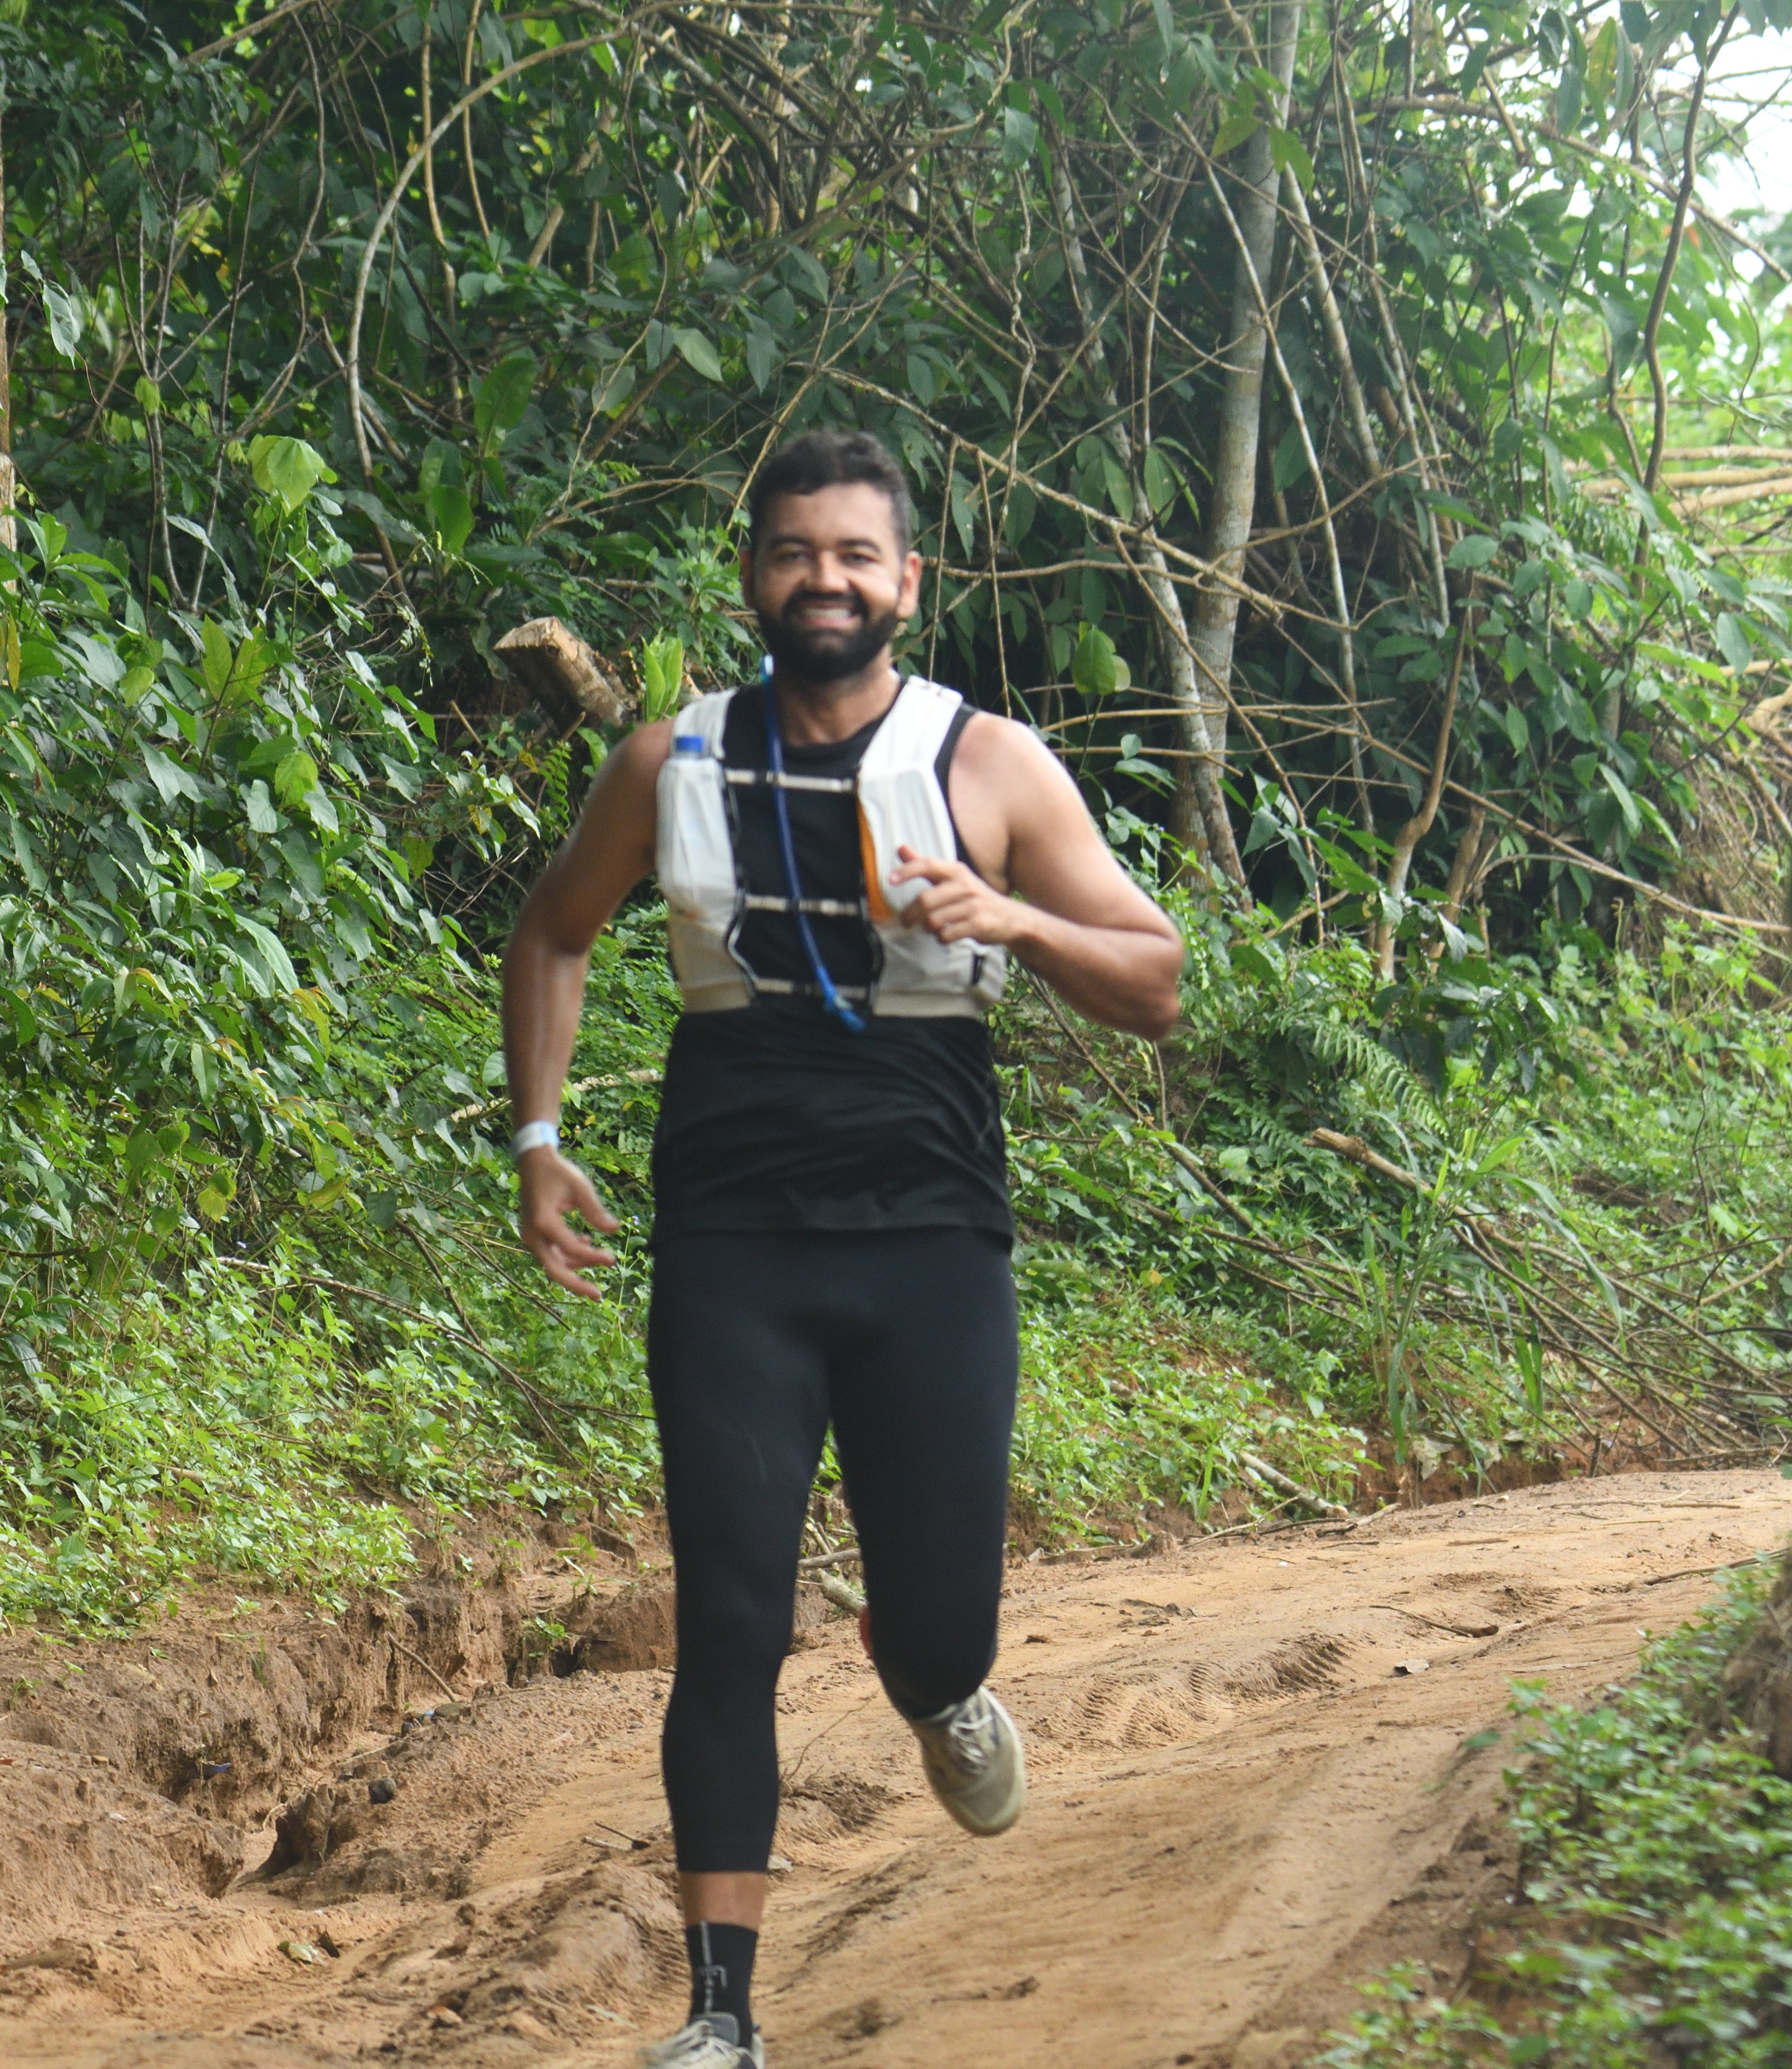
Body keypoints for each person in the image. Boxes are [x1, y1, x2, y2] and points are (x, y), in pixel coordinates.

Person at [498, 431, 1183, 2068]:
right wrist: (536, 1138)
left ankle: (936, 1682)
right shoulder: (669, 761)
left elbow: (1153, 976)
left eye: (857, 556)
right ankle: (721, 2013)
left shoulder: (992, 764)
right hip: (734, 1242)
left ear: (906, 584)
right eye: (797, 552)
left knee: (939, 1624)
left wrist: (1011, 918)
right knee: (729, 1616)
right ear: (754, 576)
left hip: (933, 1245)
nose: (827, 580)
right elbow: (553, 931)